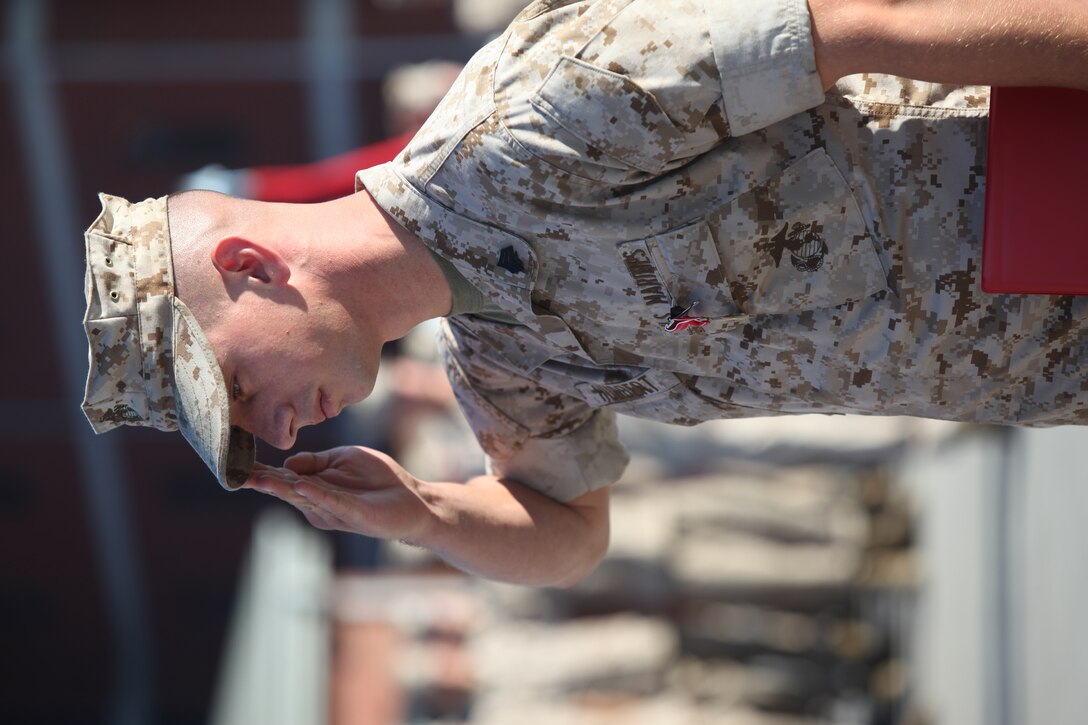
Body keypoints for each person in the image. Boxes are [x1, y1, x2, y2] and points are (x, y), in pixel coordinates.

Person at [82, 0, 1088, 587]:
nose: (275, 427)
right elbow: (572, 529)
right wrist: (426, 513)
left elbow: (879, 24)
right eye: (246, 428)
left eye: (236, 386)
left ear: (250, 266)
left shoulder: (527, 123)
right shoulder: (499, 358)